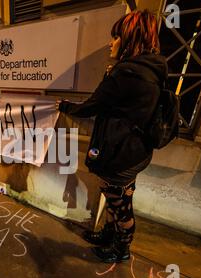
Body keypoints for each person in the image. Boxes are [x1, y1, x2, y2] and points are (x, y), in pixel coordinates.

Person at [56, 10, 168, 263]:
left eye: (117, 37)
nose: (111, 42)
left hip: (120, 153)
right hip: (134, 151)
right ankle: (108, 235)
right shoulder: (151, 70)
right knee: (117, 196)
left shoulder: (127, 73)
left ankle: (121, 249)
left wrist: (65, 106)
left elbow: (93, 106)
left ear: (130, 39)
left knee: (120, 205)